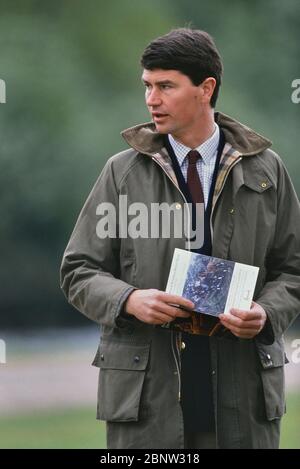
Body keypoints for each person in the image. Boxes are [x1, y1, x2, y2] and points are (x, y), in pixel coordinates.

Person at [60, 28, 300, 449]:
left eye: (165, 86)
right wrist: (128, 300)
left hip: (243, 398)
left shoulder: (267, 171)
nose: (151, 99)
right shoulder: (122, 172)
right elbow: (79, 270)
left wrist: (265, 313)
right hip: (148, 401)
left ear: (206, 88)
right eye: (148, 86)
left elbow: (294, 269)